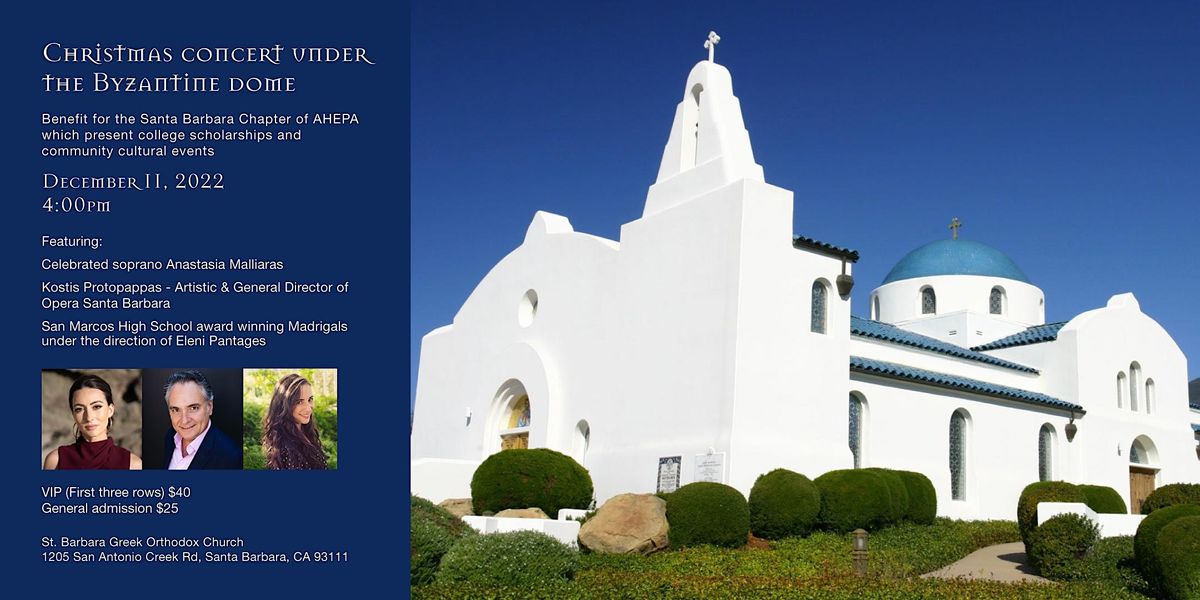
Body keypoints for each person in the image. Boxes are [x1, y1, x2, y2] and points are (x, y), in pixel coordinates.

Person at [44, 375, 142, 470]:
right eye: (79, 409)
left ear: (110, 410)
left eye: (96, 407)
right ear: (73, 414)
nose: (89, 417)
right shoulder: (55, 461)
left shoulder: (133, 465)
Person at [162, 370, 241, 469]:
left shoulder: (231, 458)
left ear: (209, 407)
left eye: (193, 408)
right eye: (176, 409)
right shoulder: (170, 437)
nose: (184, 420)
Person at [262, 374, 327, 469]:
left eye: (310, 399)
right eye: (299, 402)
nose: (308, 408)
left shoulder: (306, 432)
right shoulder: (286, 449)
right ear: (283, 405)